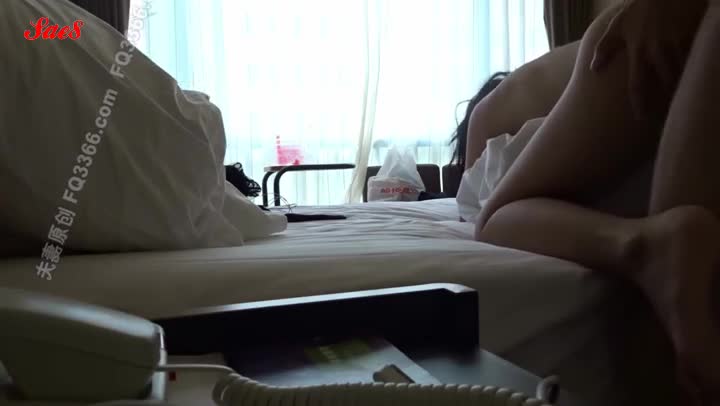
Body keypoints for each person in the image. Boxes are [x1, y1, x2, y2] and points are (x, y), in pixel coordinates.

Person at [463, 0, 718, 402]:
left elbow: (473, 200)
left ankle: (640, 244)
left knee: (495, 218)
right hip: (659, 44)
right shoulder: (518, 94)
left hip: (640, 48)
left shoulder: (493, 109)